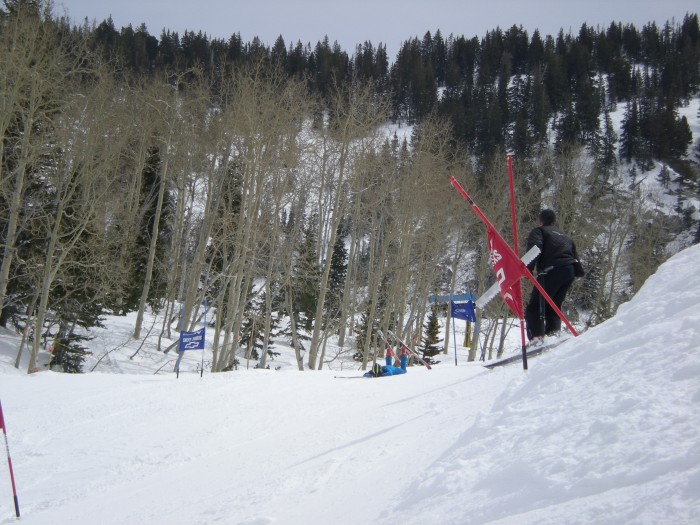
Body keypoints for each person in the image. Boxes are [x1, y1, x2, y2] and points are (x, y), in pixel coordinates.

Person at [524, 209, 580, 346]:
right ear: (555, 221)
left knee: (534, 306)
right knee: (553, 305)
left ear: (540, 220)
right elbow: (574, 253)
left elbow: (535, 248)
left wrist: (528, 268)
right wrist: (578, 271)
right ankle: (553, 334)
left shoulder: (540, 231)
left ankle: (536, 338)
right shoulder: (564, 236)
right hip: (569, 271)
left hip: (551, 270)